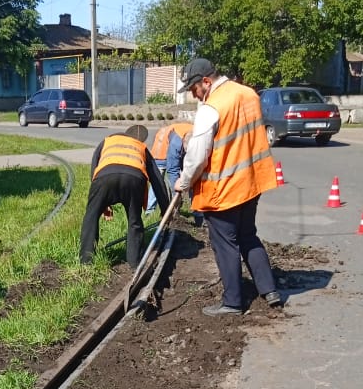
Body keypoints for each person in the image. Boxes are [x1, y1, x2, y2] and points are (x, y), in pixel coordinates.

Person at [174, 57, 282, 315]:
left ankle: (232, 302)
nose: (194, 95)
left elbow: (198, 155)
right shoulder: (248, 94)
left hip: (224, 189)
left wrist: (184, 181)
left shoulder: (211, 108)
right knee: (248, 235)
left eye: (194, 89)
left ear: (206, 81)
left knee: (225, 244)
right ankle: (269, 290)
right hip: (252, 181)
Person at [80, 123, 170, 268]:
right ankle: (135, 262)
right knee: (134, 221)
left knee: (91, 217)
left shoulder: (106, 142)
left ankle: (86, 261)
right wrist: (166, 210)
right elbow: (157, 180)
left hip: (105, 178)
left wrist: (102, 203)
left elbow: (94, 170)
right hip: (134, 179)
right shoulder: (140, 147)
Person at [145, 121, 194, 213]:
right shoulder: (176, 144)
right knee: (158, 179)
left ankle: (196, 210)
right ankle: (149, 211)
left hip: (181, 140)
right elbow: (173, 170)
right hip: (162, 145)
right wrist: (176, 195)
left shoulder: (200, 138)